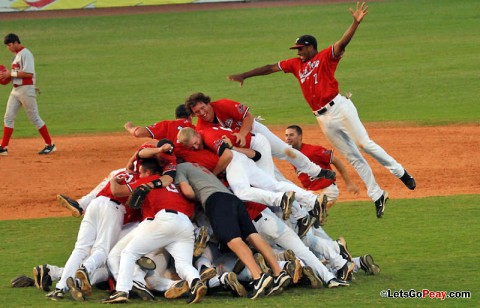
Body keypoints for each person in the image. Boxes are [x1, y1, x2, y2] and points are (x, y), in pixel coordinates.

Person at [227, 2, 416, 218]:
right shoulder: (295, 65)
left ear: (310, 47)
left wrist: (355, 23)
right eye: (296, 50)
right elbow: (270, 68)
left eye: (300, 48)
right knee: (353, 157)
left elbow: (343, 42)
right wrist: (244, 75)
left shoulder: (325, 57)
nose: (298, 53)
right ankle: (377, 194)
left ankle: (400, 172)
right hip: (323, 119)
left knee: (364, 144)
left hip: (340, 108)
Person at [0, 33, 55, 156]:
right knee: (8, 117)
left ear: (15, 43)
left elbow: (28, 74)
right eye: (6, 46)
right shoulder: (16, 56)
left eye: (9, 45)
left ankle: (50, 144)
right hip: (16, 90)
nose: (8, 48)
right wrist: (6, 77)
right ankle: (3, 147)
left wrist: (10, 74)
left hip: (26, 90)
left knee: (34, 117)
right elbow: (14, 75)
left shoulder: (26, 54)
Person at [285, 125, 359, 211]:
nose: (288, 138)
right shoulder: (290, 153)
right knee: (297, 214)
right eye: (286, 135)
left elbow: (335, 160)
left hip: (326, 191)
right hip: (312, 192)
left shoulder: (313, 151)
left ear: (300, 137)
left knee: (306, 214)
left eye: (291, 135)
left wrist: (349, 183)